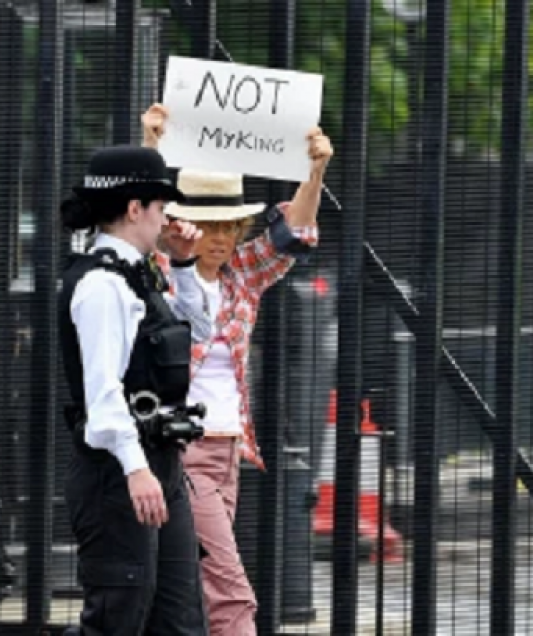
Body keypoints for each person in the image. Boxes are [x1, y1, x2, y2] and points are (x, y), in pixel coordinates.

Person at [141, 104, 333, 636]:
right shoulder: (159, 271)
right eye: (206, 225)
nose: (220, 237)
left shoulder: (241, 276)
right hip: (180, 449)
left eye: (228, 224)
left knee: (186, 587)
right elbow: (140, 228)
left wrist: (314, 171)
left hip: (229, 452)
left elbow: (294, 235)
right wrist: (150, 145)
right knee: (231, 592)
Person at [60, 145, 212, 635]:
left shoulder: (140, 276)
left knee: (180, 620)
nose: (166, 218)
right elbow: (103, 395)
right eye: (160, 206)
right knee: (118, 618)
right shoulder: (102, 284)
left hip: (157, 462)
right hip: (120, 473)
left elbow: (200, 332)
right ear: (134, 209)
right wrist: (136, 468)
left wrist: (185, 265)